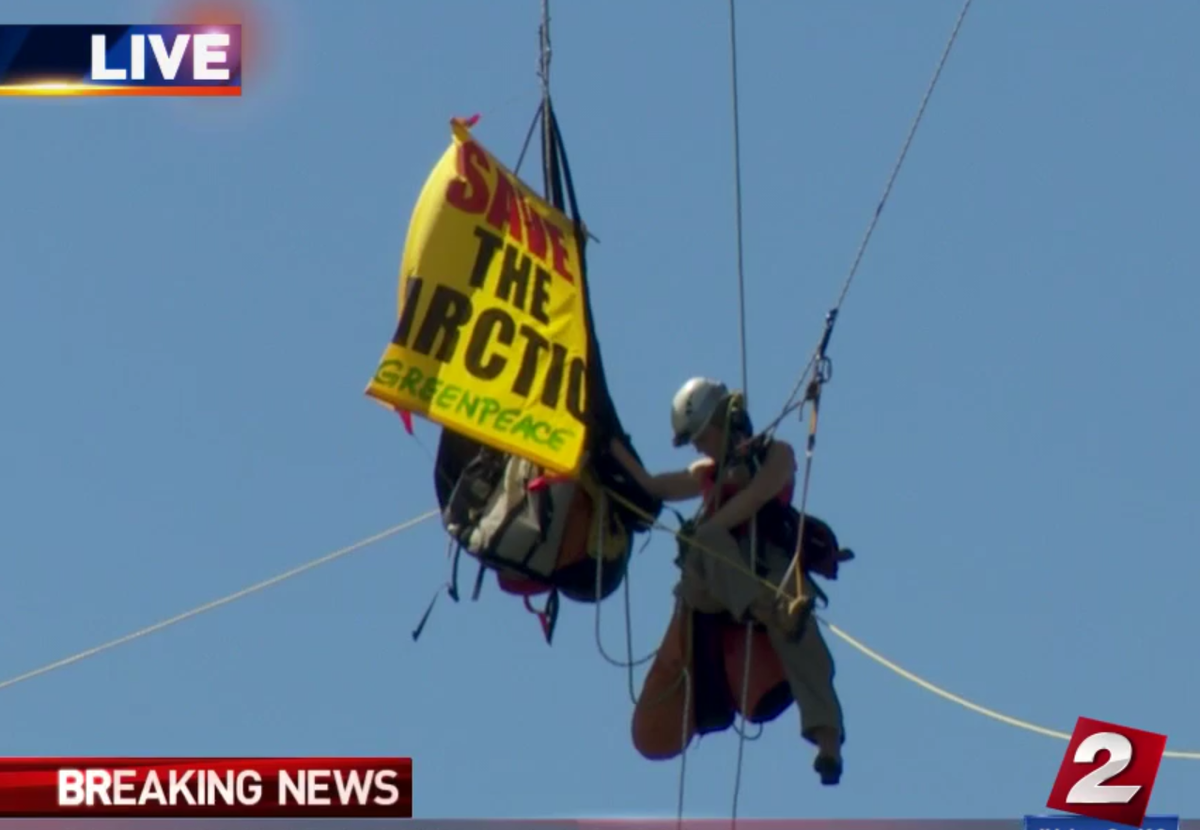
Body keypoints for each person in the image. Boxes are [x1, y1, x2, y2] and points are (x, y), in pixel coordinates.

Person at [609, 376, 845, 784]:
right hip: (710, 586)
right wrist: (610, 446)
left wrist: (708, 527)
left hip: (766, 569)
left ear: (725, 421)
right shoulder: (707, 473)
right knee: (714, 546)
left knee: (806, 646)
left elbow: (755, 498)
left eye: (701, 436)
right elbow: (653, 486)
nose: (699, 447)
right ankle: (772, 612)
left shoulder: (777, 456)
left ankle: (829, 743)